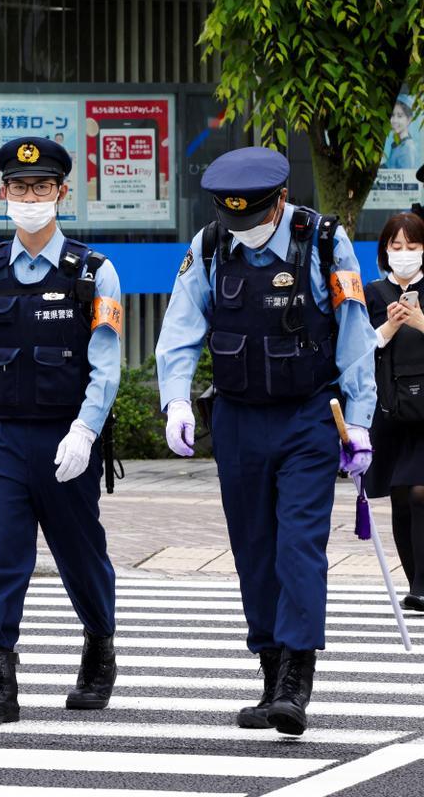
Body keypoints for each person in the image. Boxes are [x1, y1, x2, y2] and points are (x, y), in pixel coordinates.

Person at [156, 146, 377, 737]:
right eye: (236, 221)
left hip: (308, 416)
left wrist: (359, 420)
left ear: (280, 201)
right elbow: (181, 327)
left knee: (297, 546)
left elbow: (354, 329)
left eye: (254, 219)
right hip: (237, 419)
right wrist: (176, 397)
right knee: (252, 548)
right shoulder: (211, 245)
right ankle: (270, 669)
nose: (246, 232)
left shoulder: (324, 241)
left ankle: (295, 682)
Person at [0, 136, 122, 727]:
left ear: (61, 194)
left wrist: (86, 432)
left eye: (41, 187)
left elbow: (107, 362)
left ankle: (100, 647)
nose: (29, 197)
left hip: (64, 441)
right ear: (3, 194)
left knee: (80, 553)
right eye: (19, 188)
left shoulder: (94, 273)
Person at [363, 211, 424, 611]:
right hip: (389, 408)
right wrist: (387, 329)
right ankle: (414, 575)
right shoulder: (372, 293)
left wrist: (421, 322)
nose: (404, 254)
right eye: (397, 246)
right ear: (385, 250)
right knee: (400, 496)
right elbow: (354, 352)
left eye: (414, 247)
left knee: (420, 492)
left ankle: (421, 585)